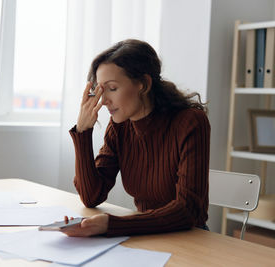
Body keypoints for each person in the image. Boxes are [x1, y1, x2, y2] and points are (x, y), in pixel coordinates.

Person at [62, 39, 210, 237]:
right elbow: (91, 196)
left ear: (143, 84)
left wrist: (112, 225)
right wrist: (82, 132)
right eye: (100, 90)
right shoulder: (119, 127)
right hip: (145, 235)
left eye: (112, 88)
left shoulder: (190, 122)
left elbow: (188, 210)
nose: (104, 101)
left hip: (190, 238)